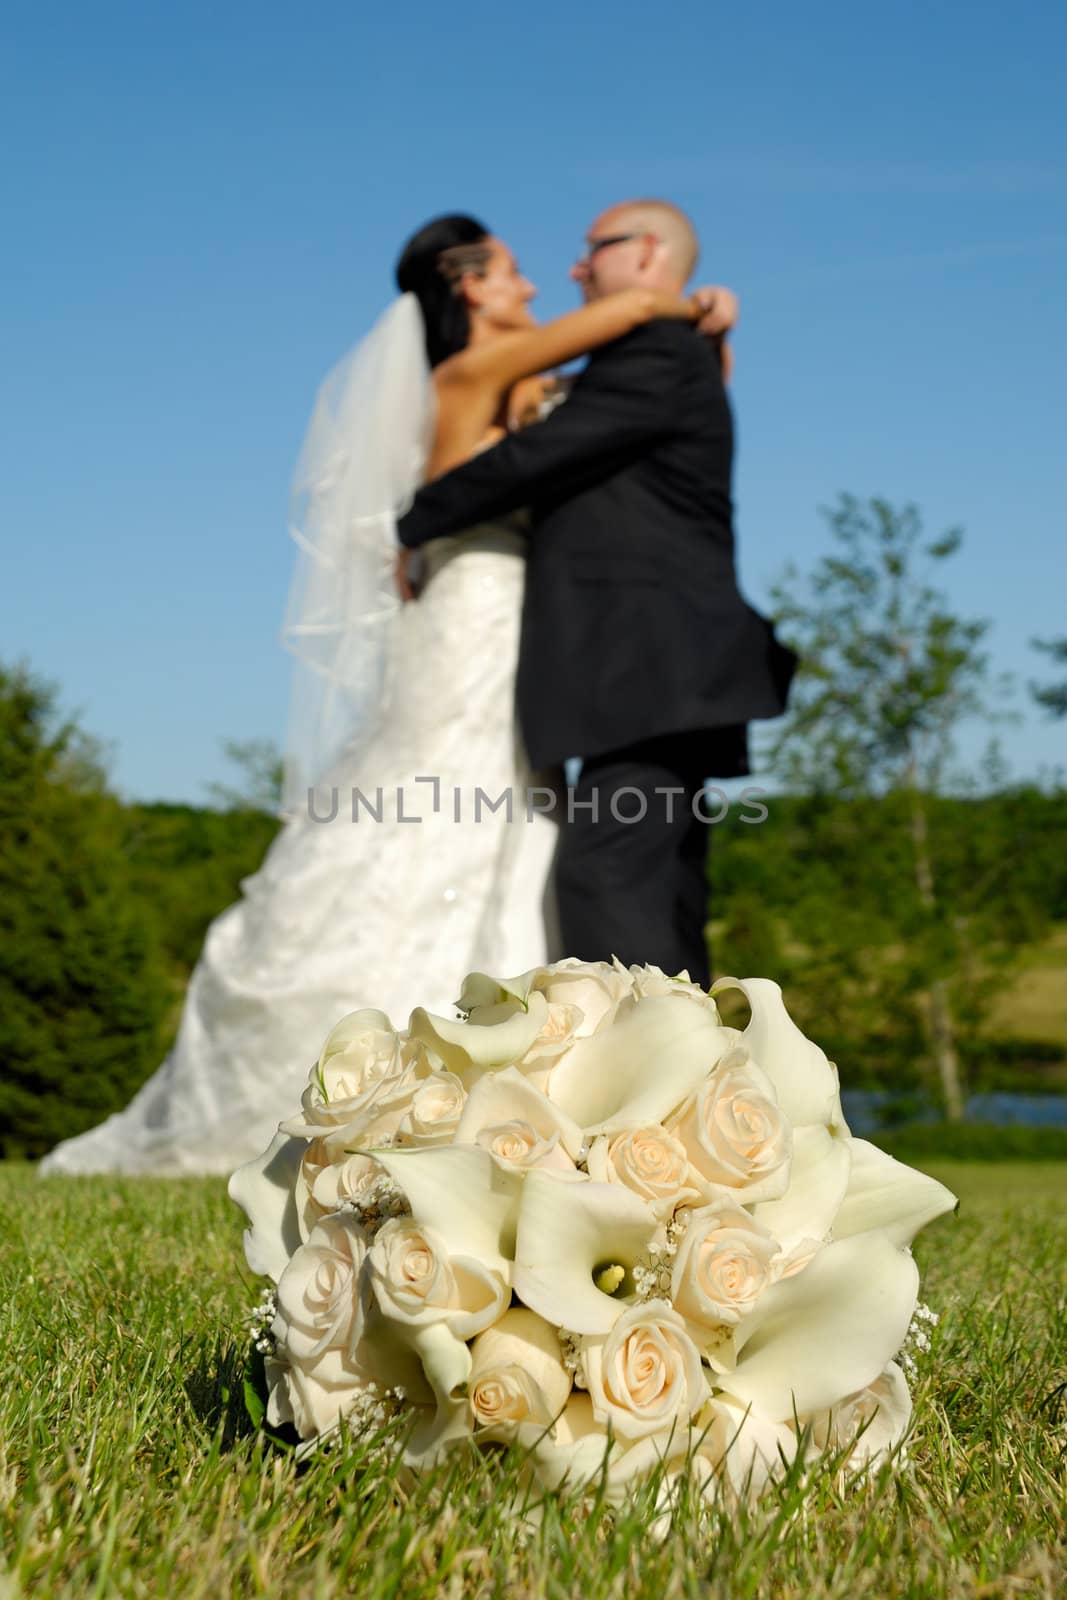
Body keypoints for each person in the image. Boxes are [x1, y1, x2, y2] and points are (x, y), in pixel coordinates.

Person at [41, 212, 739, 1175]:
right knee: (435, 803)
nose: (540, 282)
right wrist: (670, 300)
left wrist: (706, 326)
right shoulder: (471, 377)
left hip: (524, 647)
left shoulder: (532, 382)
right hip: (473, 623)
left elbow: (631, 414)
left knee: (516, 829)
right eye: (512, 271)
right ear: (467, 287)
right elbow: (596, 366)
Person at [397, 200, 798, 988]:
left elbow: (536, 459)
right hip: (646, 677)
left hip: (653, 670)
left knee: (605, 882)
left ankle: (643, 1095)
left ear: (646, 252)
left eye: (590, 251)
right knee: (663, 891)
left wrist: (408, 523)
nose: (573, 269)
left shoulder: (657, 351)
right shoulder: (651, 354)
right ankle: (696, 1091)